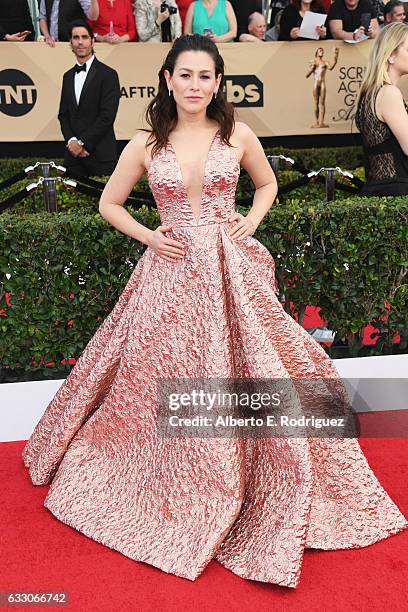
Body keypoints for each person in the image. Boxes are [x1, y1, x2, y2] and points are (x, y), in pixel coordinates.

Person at [23, 33, 408, 589]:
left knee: (271, 365)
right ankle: (178, 476)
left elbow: (267, 184)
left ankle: (258, 469)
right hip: (171, 274)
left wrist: (250, 222)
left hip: (232, 270)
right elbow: (109, 203)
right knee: (156, 378)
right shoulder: (144, 143)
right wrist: (149, 237)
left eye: (205, 76)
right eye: (185, 75)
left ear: (218, 82)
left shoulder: (238, 133)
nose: (195, 86)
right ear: (167, 80)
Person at [58, 21, 120, 177]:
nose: (80, 42)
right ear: (70, 43)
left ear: (92, 41)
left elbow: (107, 116)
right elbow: (63, 115)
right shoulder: (67, 76)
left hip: (101, 156)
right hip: (73, 159)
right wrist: (72, 142)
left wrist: (82, 143)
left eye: (85, 37)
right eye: (76, 37)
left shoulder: (108, 74)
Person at [355, 22, 408, 195]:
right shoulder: (389, 93)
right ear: (391, 56)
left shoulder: (370, 94)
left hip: (381, 191)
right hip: (396, 193)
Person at [306, 46, 339, 127]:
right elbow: (307, 75)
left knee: (322, 103)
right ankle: (316, 122)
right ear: (316, 52)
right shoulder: (313, 62)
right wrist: (311, 68)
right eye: (320, 50)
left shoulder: (325, 62)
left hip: (322, 84)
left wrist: (336, 56)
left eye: (322, 51)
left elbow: (331, 68)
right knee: (316, 103)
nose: (322, 52)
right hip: (315, 84)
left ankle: (321, 122)